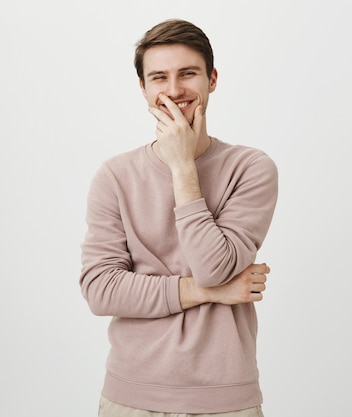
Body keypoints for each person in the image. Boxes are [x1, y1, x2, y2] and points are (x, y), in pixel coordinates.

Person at [80, 19, 278, 417]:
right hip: (130, 397)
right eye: (159, 77)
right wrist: (208, 292)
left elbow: (213, 266)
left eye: (188, 73)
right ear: (143, 88)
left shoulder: (251, 168)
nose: (173, 90)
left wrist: (183, 168)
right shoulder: (115, 175)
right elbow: (100, 290)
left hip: (225, 400)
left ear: (213, 79)